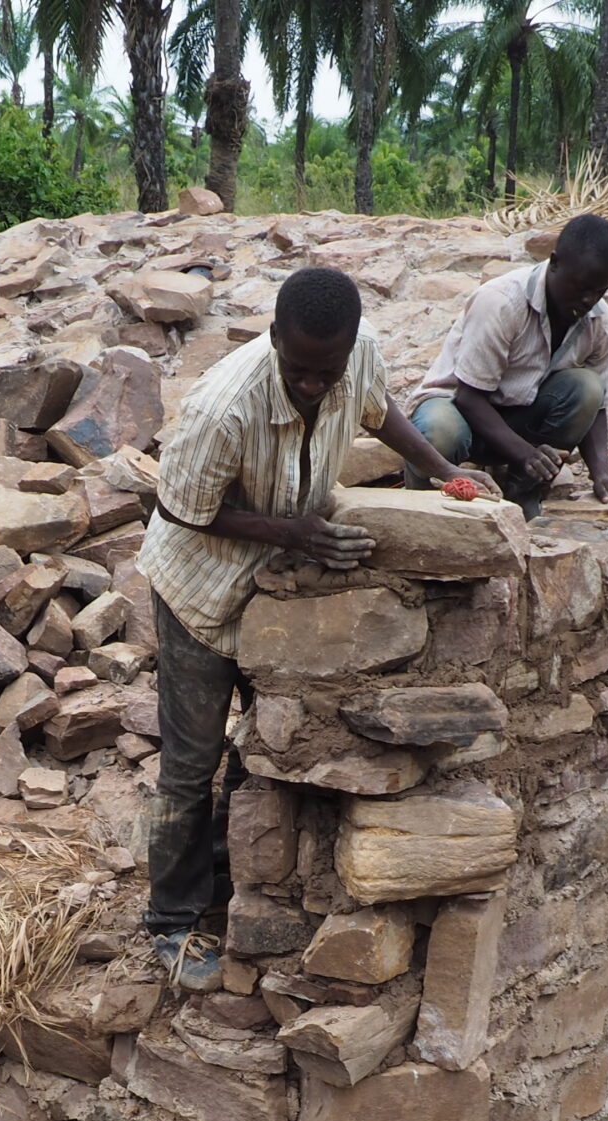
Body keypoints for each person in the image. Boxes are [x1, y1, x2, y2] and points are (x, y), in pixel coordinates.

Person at [139, 265, 493, 992]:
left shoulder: (352, 360)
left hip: (271, 597)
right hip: (198, 594)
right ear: (273, 340)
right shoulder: (224, 408)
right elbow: (181, 512)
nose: (312, 385)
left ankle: (219, 879)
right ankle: (171, 922)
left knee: (255, 748)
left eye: (324, 372)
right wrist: (295, 534)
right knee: (189, 762)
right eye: (298, 371)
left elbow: (377, 409)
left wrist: (439, 467)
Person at [410, 213, 608, 517]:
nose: (589, 299)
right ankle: (422, 507)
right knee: (439, 430)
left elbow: (596, 408)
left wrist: (602, 473)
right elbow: (469, 397)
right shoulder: (502, 301)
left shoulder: (600, 320)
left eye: (600, 290)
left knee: (587, 387)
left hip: (516, 419)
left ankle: (521, 494)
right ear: (555, 262)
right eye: (581, 286)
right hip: (457, 409)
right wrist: (526, 453)